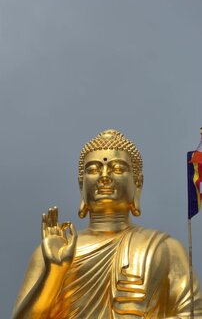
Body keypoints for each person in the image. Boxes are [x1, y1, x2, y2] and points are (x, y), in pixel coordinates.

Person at [12, 129, 202, 318]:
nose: (104, 177)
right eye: (93, 170)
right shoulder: (57, 251)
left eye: (118, 169)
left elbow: (194, 314)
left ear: (138, 184)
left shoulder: (165, 248)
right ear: (81, 185)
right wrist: (53, 272)